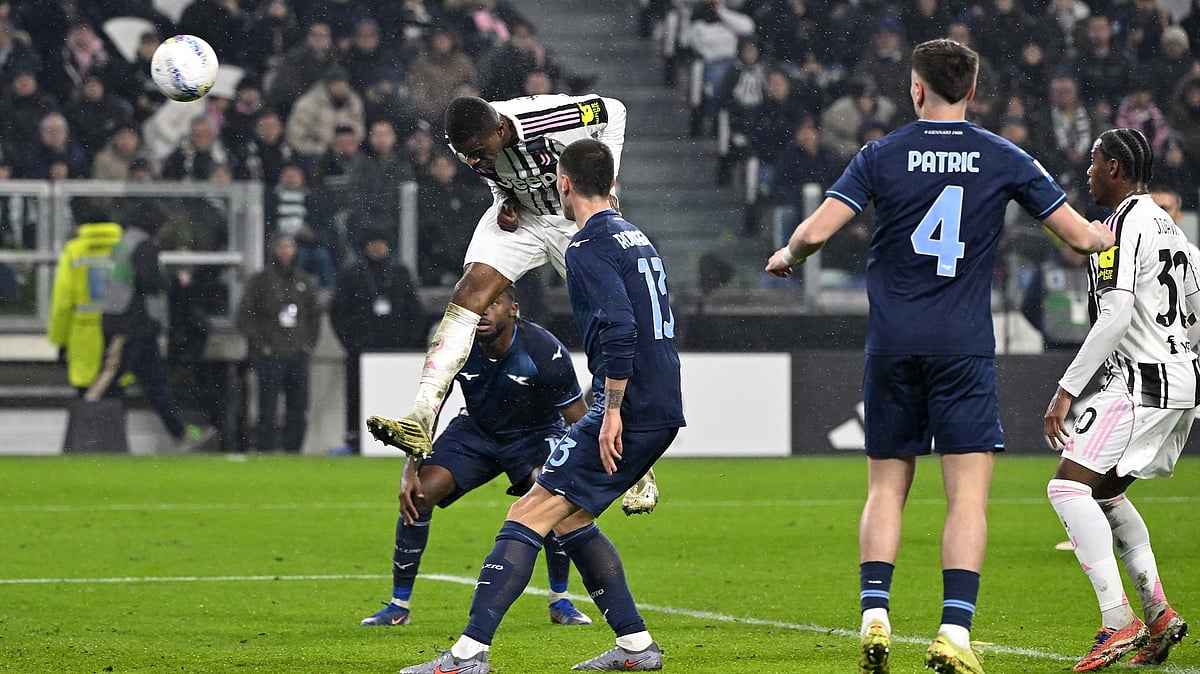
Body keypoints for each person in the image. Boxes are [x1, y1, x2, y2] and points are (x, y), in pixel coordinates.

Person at [764, 39, 1115, 674]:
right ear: (973, 91)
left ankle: (875, 612)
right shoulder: (1002, 155)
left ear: (917, 90)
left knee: (885, 488)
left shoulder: (881, 153)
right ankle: (953, 632)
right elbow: (1081, 237)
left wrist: (789, 258)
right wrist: (1118, 230)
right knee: (968, 499)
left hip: (894, 344)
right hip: (963, 347)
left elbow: (815, 232)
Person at [395, 137, 682, 674]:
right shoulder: (636, 238)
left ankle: (467, 656)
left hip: (633, 403)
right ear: (613, 184)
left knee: (527, 512)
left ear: (563, 184)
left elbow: (619, 327)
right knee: (569, 520)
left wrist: (613, 408)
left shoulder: (586, 245)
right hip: (660, 396)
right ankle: (637, 647)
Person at [365, 93, 660, 516]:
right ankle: (421, 417)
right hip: (521, 218)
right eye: (465, 154)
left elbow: (615, 110)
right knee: (467, 294)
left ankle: (638, 467)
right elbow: (491, 169)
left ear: (501, 130)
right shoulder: (466, 140)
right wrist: (502, 196)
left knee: (608, 323)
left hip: (569, 219)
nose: (471, 160)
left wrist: (603, 187)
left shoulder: (549, 117)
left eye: (479, 152)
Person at [1045, 129, 1198, 671]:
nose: (1087, 173)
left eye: (1092, 163)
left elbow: (1116, 314)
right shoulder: (1174, 232)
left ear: (1113, 168)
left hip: (1142, 381)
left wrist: (1065, 389)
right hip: (1180, 380)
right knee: (1105, 495)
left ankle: (1117, 621)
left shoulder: (1124, 225)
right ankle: (1157, 616)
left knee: (1066, 486)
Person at [361, 285, 594, 627]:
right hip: (476, 432)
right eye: (479, 304)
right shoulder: (457, 343)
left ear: (513, 309)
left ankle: (560, 600)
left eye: (494, 303)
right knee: (419, 494)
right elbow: (431, 407)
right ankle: (399, 605)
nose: (483, 310)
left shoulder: (544, 349)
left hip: (535, 434)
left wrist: (588, 470)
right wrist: (410, 468)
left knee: (554, 497)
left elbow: (578, 417)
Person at [86, 201, 216, 452]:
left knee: (155, 385)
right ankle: (85, 427)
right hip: (130, 326)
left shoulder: (126, 242)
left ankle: (179, 433)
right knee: (110, 379)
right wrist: (175, 281)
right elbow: (149, 280)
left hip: (137, 327)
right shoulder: (144, 246)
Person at [330, 228, 424, 454]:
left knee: (395, 393)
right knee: (357, 395)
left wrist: (407, 344)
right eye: (372, 243)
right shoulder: (352, 274)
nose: (377, 247)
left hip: (395, 349)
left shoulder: (400, 273)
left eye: (381, 242)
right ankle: (356, 436)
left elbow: (414, 310)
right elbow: (339, 312)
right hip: (361, 349)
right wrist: (351, 343)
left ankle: (398, 436)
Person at [236, 232, 321, 453]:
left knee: (298, 406)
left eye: (290, 247)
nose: (286, 252)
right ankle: (266, 449)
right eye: (281, 247)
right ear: (273, 250)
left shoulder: (304, 281)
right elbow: (245, 316)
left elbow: (314, 317)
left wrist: (307, 345)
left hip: (297, 354)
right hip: (270, 355)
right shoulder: (261, 281)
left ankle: (294, 449)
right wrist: (260, 344)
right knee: (267, 407)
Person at [48, 215, 123, 394]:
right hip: (118, 333)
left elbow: (62, 301)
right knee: (114, 388)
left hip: (82, 334)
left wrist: (59, 339)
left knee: (85, 393)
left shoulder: (74, 250)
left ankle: (87, 421)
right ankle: (112, 422)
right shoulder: (124, 249)